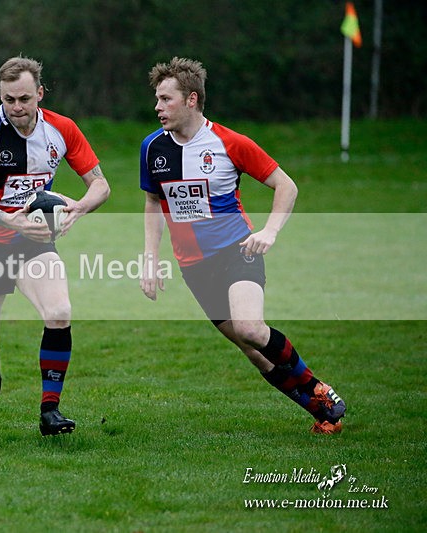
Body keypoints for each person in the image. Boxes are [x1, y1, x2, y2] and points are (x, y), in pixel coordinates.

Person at [139, 57, 345, 434]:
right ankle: (322, 413)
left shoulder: (230, 142)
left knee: (251, 329)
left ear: (191, 100)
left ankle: (317, 388)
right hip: (194, 268)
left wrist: (269, 231)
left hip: (238, 251)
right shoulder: (152, 148)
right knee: (254, 354)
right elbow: (153, 202)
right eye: (156, 99)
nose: (157, 107)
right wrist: (150, 258)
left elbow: (287, 186)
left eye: (166, 99)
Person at [0, 56, 110, 436]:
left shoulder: (62, 130)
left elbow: (101, 185)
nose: (17, 108)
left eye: (25, 98)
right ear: (1, 96)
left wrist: (78, 209)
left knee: (59, 310)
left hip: (33, 241)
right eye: (9, 100)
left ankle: (50, 411)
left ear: (39, 93)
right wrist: (7, 218)